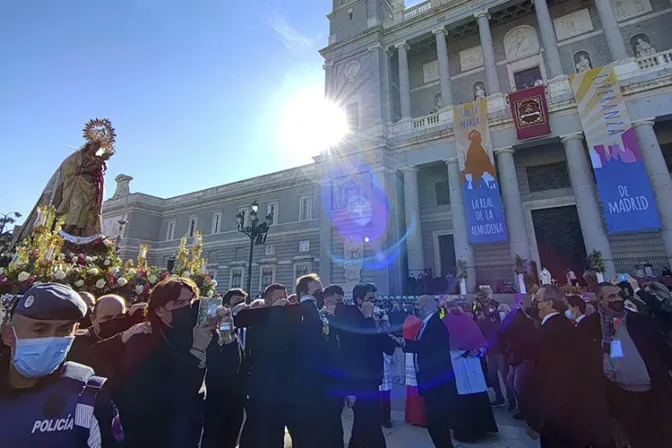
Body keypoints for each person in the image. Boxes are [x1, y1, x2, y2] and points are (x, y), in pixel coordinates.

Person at [89, 277, 239, 448]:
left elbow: (227, 371)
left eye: (190, 301)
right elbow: (164, 389)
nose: (187, 307)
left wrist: (227, 331)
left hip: (191, 426)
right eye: (179, 303)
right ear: (159, 310)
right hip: (153, 429)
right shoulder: (144, 337)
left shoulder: (200, 332)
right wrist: (196, 351)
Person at [0, 283, 121, 447]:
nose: (52, 339)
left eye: (64, 330)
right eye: (40, 330)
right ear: (8, 335)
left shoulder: (88, 395)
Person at [596, 283, 672, 447]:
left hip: (654, 392)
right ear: (600, 300)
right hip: (627, 398)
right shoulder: (602, 326)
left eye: (618, 294)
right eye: (611, 296)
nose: (618, 299)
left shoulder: (639, 320)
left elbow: (663, 348)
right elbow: (617, 355)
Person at [235, 283, 296, 448]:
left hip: (281, 389)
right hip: (261, 388)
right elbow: (271, 343)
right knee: (259, 432)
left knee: (275, 433)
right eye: (279, 298)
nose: (284, 302)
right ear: (268, 301)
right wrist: (276, 312)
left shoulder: (286, 319)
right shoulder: (259, 320)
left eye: (285, 298)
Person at [525, 285, 587, 447]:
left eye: (537, 298)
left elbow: (545, 376)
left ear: (548, 303)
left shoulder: (550, 331)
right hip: (570, 410)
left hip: (555, 413)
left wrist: (535, 419)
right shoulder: (563, 325)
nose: (534, 301)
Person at [335, 283, 395, 448]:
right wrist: (369, 318)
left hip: (372, 380)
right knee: (369, 423)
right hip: (359, 381)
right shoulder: (350, 318)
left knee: (365, 424)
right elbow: (355, 351)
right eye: (370, 299)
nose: (373, 304)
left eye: (375, 300)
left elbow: (388, 348)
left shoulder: (374, 318)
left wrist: (376, 322)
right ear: (359, 299)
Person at [398, 295, 456, 447]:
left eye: (417, 305)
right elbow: (424, 345)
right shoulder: (428, 324)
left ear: (427, 308)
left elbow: (426, 348)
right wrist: (404, 342)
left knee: (437, 423)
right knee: (435, 423)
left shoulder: (435, 325)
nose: (415, 307)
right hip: (432, 381)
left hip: (437, 382)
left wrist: (405, 344)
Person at [442, 298, 498, 443]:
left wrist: (463, 352)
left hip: (459, 365)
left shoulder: (445, 322)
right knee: (478, 394)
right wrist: (476, 351)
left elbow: (446, 347)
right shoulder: (469, 321)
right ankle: (483, 429)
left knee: (463, 396)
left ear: (447, 308)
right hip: (473, 364)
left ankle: (466, 432)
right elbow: (481, 342)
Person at [202, 288, 248, 448]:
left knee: (232, 438)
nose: (243, 306)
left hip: (239, 394)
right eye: (238, 303)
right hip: (217, 395)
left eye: (244, 303)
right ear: (226, 305)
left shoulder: (246, 326)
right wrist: (229, 318)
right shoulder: (216, 328)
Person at [68, 294, 145, 368]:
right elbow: (88, 356)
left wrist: (148, 312)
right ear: (93, 319)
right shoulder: (79, 338)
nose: (114, 322)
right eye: (107, 318)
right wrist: (121, 338)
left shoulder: (131, 331)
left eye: (119, 316)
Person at [499, 294, 537, 420]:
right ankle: (522, 407)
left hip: (524, 355)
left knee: (518, 384)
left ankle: (527, 409)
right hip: (516, 355)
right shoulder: (517, 319)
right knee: (511, 381)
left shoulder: (521, 321)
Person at [401, 308, 426, 426]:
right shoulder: (423, 321)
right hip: (419, 354)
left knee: (412, 386)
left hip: (410, 354)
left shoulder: (408, 319)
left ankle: (412, 416)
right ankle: (421, 417)